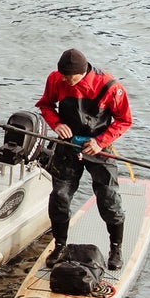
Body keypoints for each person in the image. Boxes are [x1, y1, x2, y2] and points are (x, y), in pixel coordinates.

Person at [36, 48, 133, 271]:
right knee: (60, 196)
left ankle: (116, 249)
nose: (65, 81)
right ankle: (60, 246)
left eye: (70, 77)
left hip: (98, 147)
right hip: (68, 146)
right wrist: (56, 124)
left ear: (83, 72)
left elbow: (124, 120)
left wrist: (100, 141)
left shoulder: (110, 87)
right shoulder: (56, 79)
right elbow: (45, 105)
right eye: (63, 76)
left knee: (109, 199)